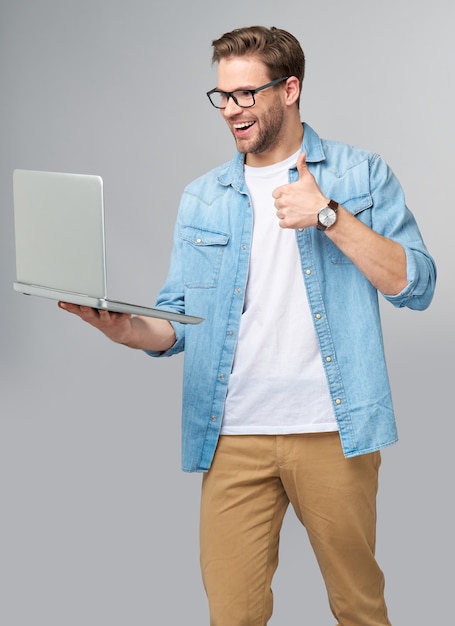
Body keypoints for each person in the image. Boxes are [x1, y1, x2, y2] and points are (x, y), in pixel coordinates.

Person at [59, 25, 436, 626]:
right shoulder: (203, 197)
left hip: (333, 431)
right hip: (231, 436)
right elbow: (178, 325)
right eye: (222, 96)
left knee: (359, 608)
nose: (231, 110)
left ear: (289, 90)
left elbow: (416, 284)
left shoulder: (360, 175)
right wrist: (122, 328)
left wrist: (329, 216)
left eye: (245, 94)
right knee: (230, 614)